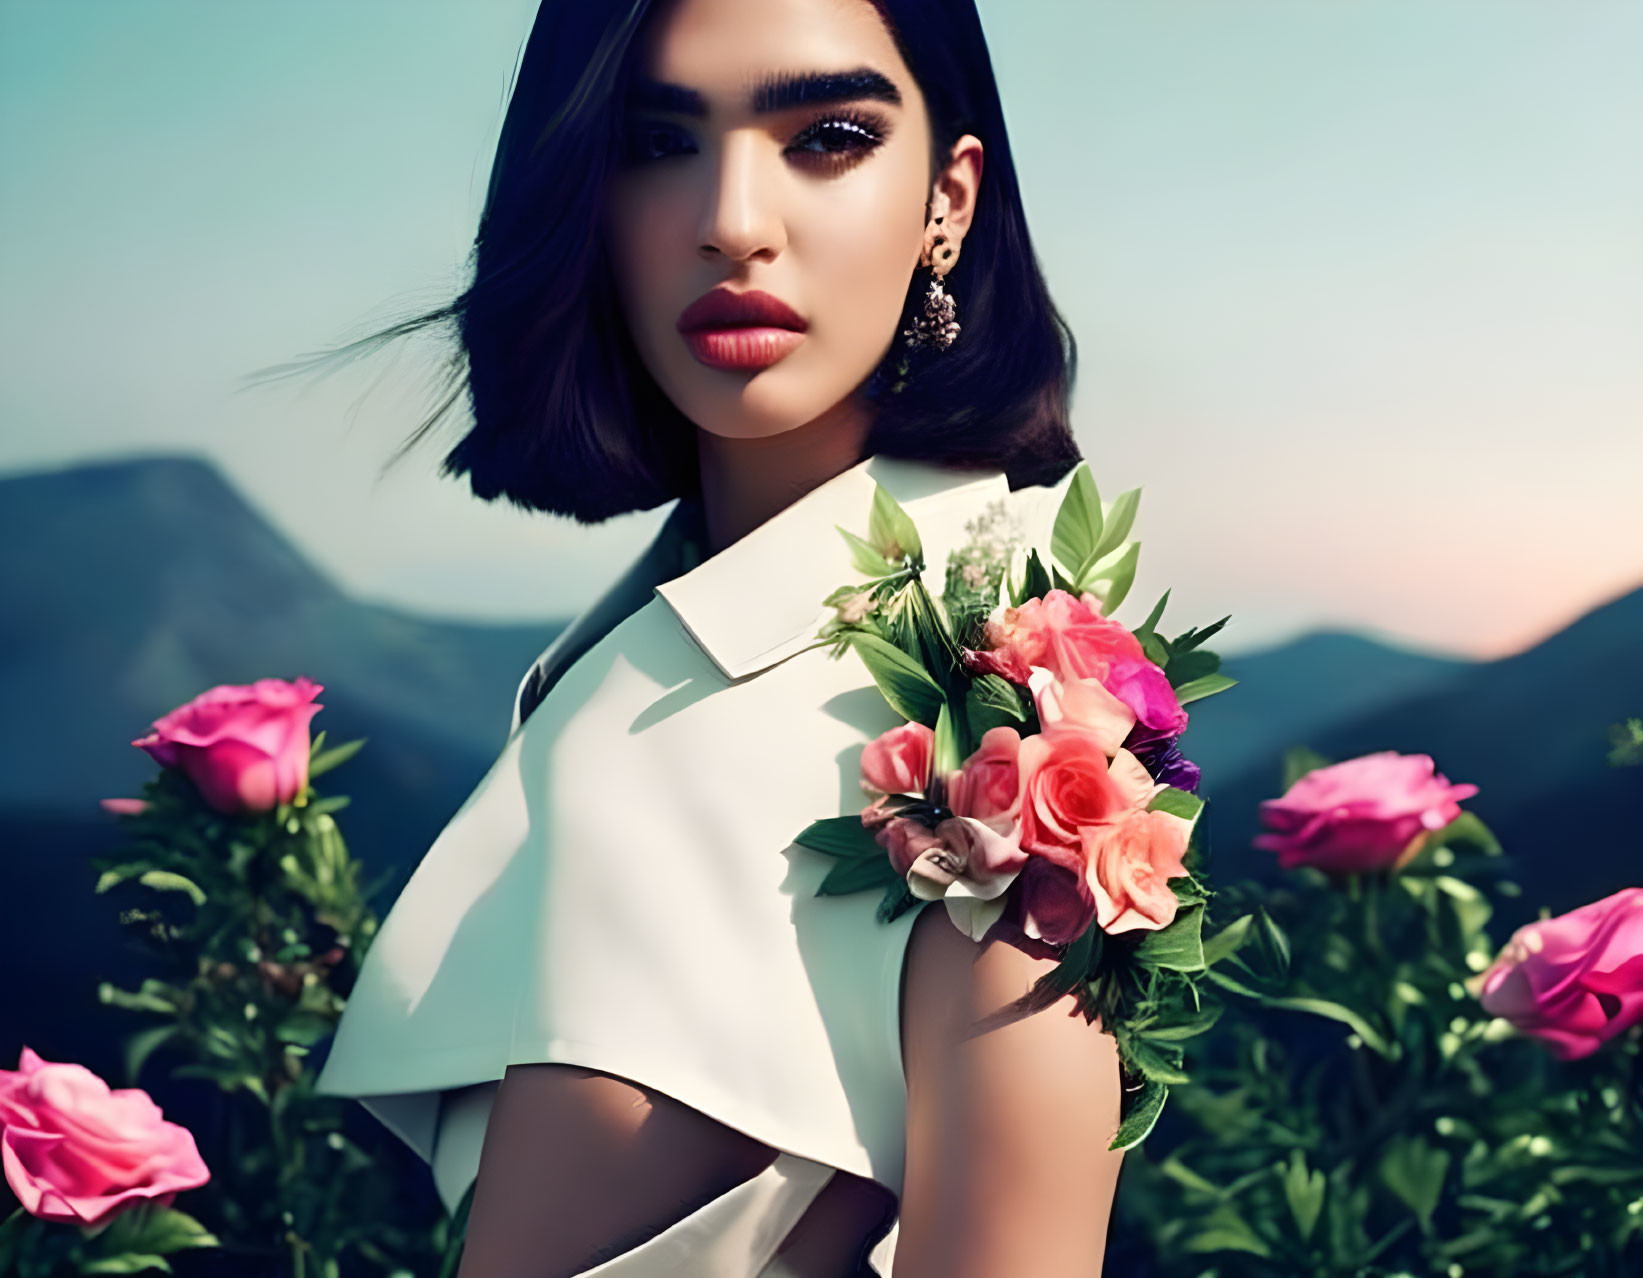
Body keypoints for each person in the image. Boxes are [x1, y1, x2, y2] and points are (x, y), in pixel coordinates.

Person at [312, 0, 1126, 1273]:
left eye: (829, 135)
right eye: (654, 140)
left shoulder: (1007, 726)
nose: (731, 221)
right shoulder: (621, 656)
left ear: (947, 203)